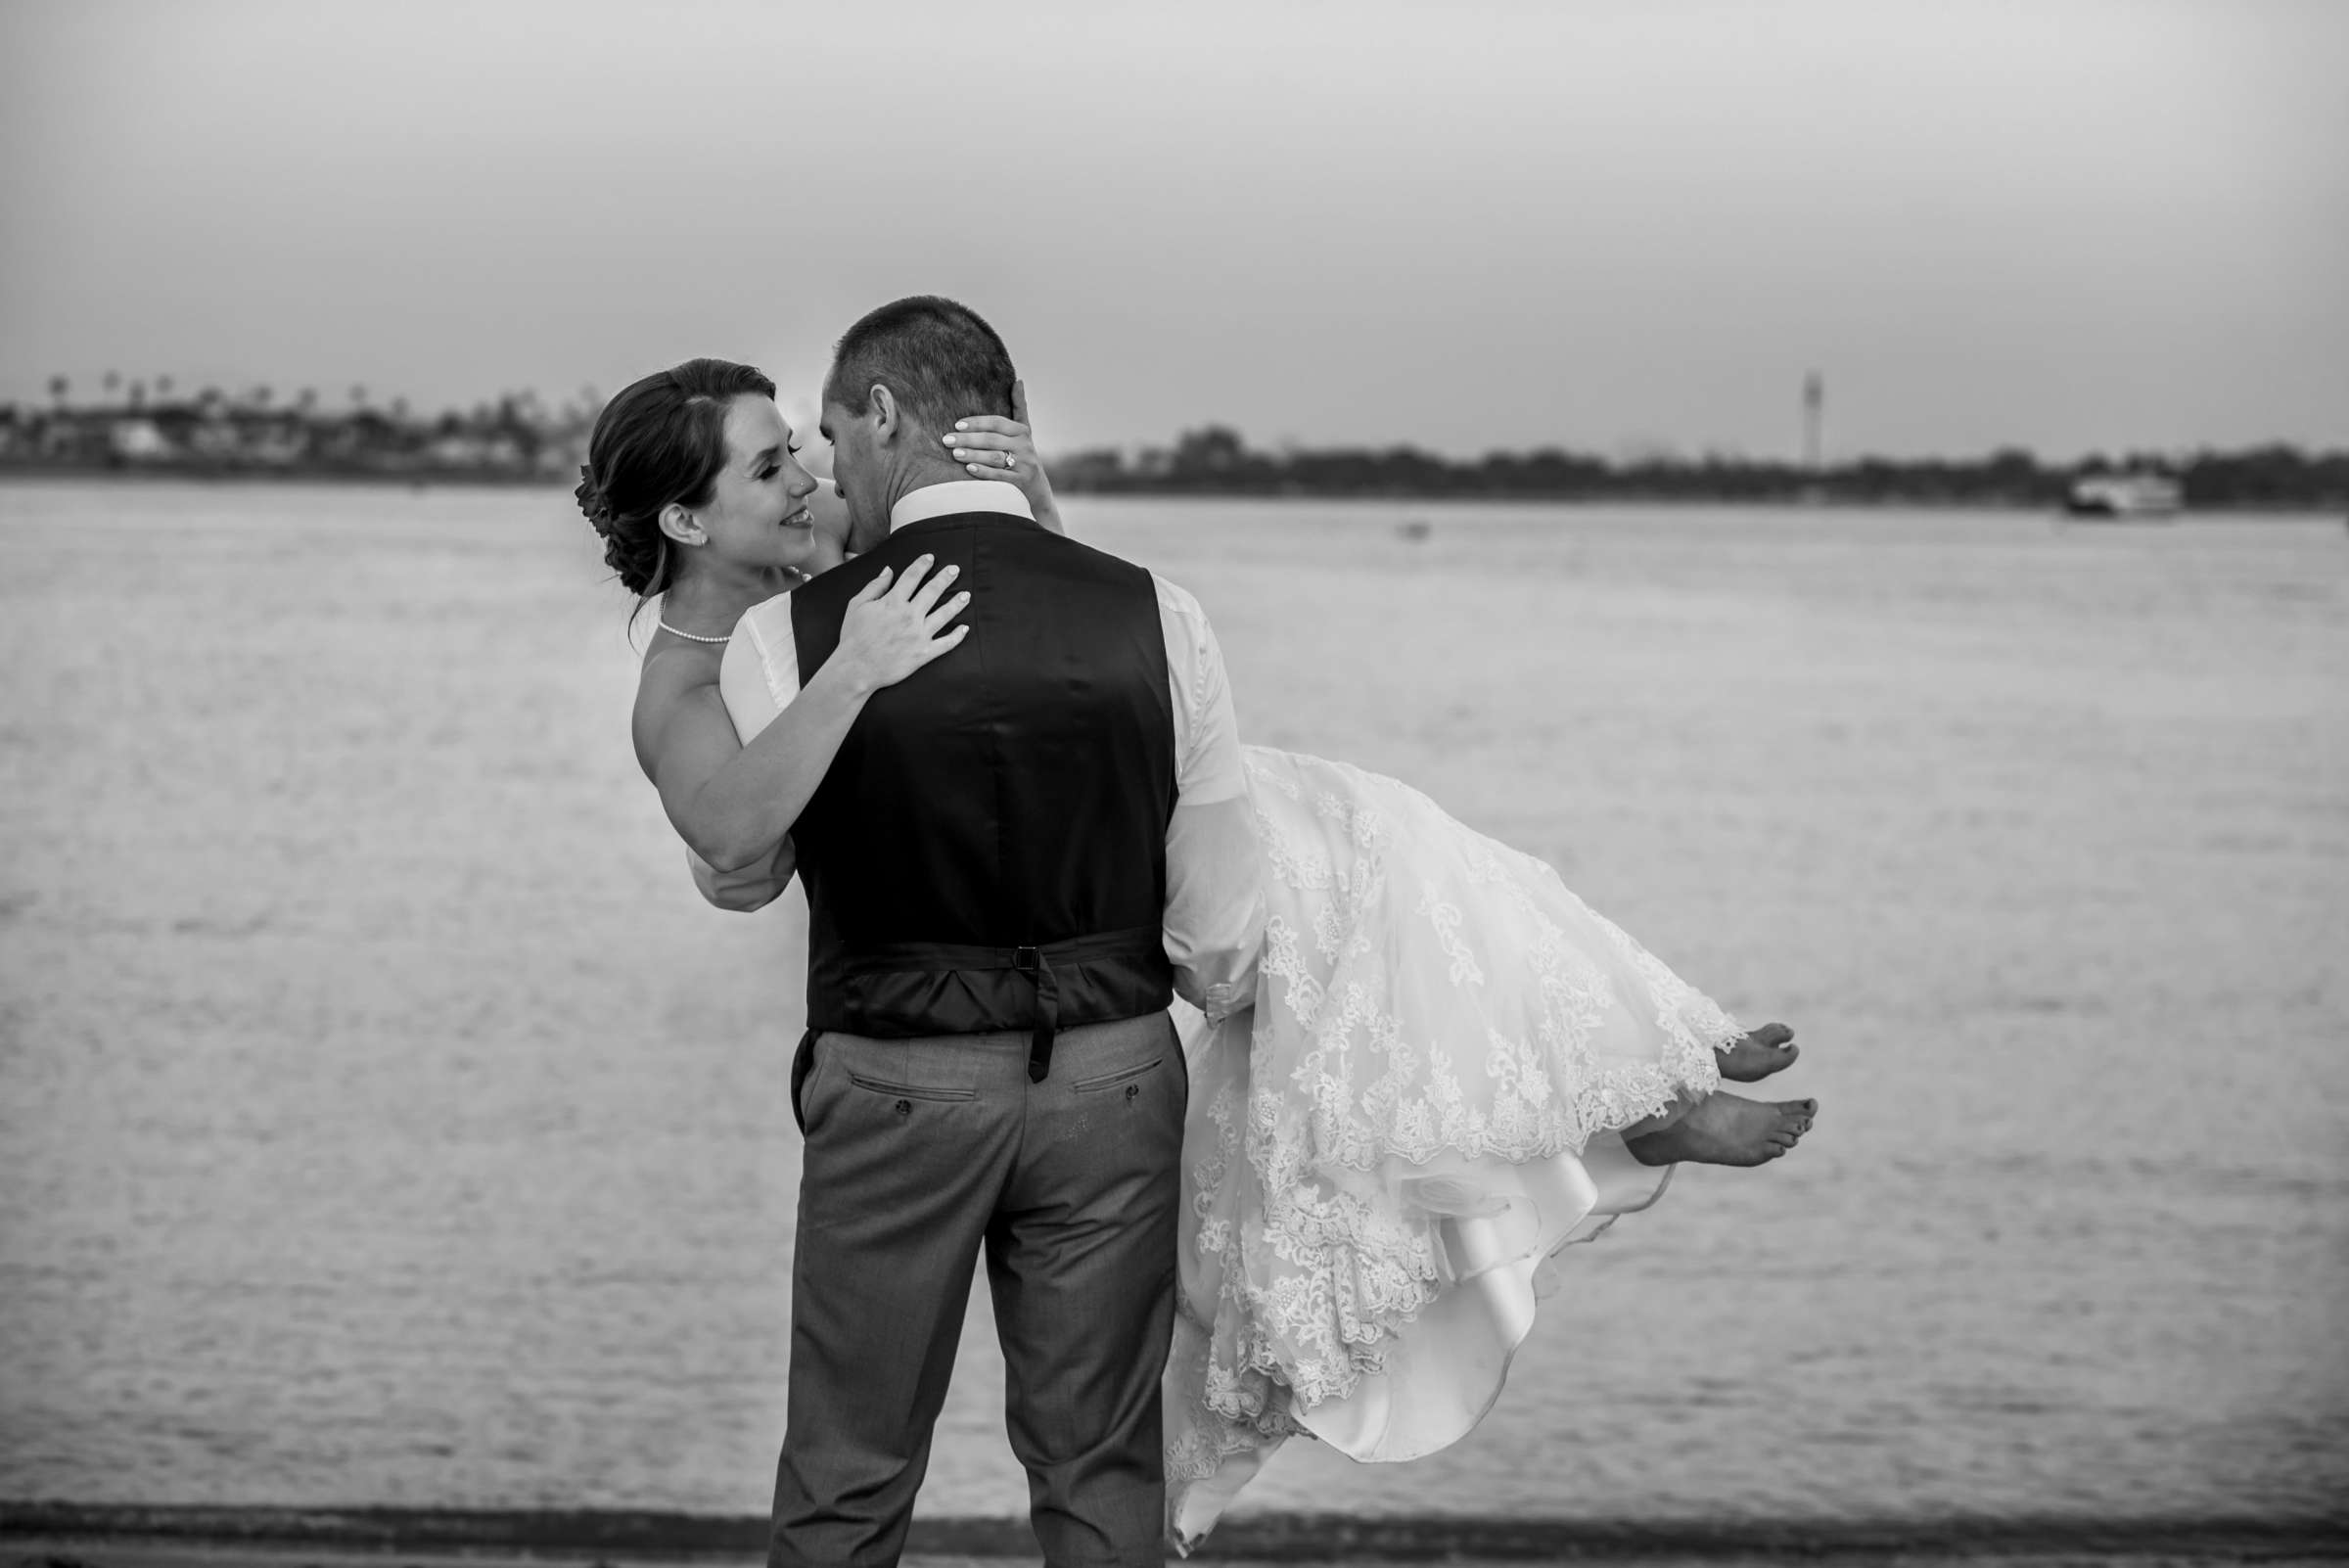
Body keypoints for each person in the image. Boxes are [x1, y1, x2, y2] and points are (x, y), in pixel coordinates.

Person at [586, 301, 1818, 1563]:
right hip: (1113, 1051)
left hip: (908, 1074)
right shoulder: (721, 668)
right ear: (689, 519)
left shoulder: (787, 624)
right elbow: (743, 844)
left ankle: (1636, 1077)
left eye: (814, 445)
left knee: (854, 1470)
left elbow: (970, 572)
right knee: (1370, 877)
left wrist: (1031, 519)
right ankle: (1621, 1089)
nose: (814, 476)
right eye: (775, 463)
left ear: (885, 423)